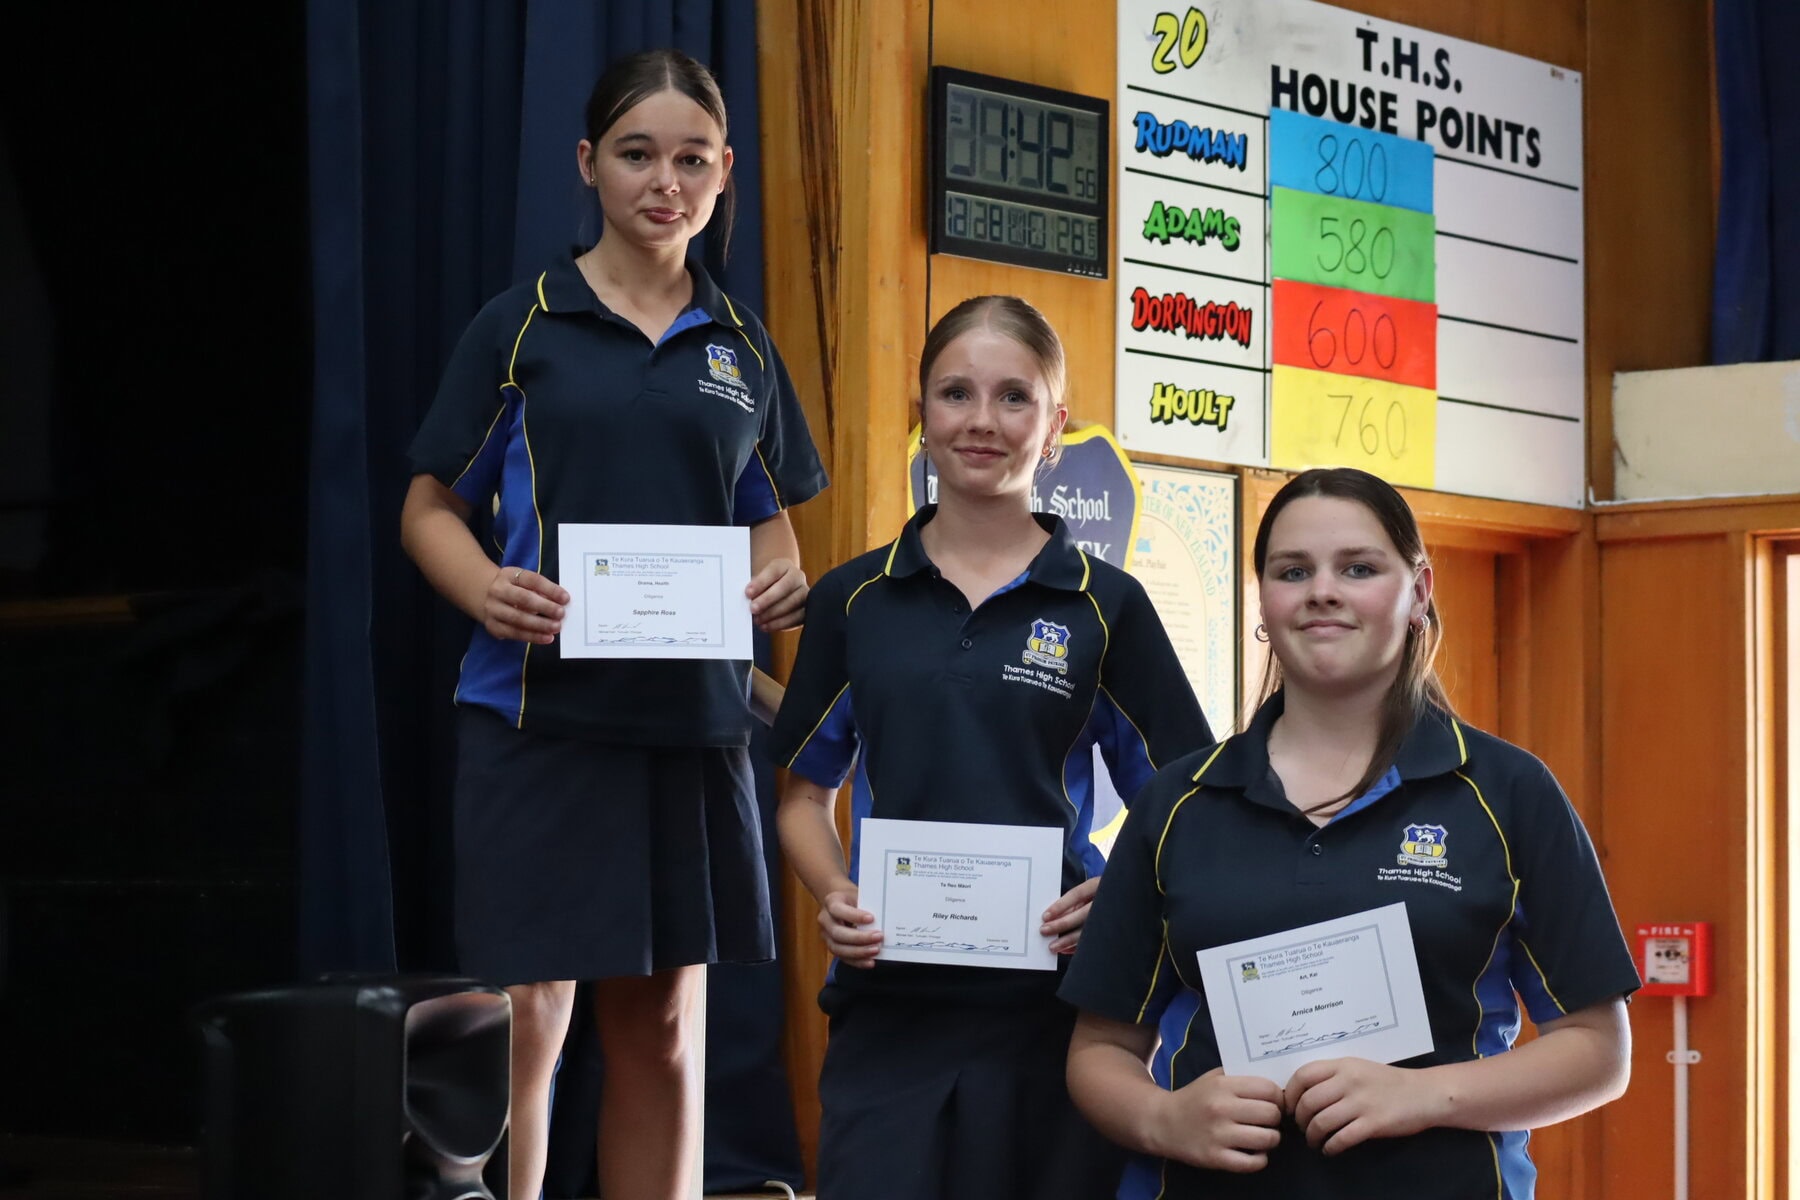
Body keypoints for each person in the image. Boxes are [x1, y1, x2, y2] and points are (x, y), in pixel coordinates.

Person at [399, 49, 825, 1200]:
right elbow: (428, 508)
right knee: (529, 1010)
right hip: (534, 717)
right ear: (589, 164)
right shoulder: (520, 327)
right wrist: (484, 587)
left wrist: (779, 583)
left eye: (692, 159)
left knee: (665, 1023)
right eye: (638, 155)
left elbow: (770, 526)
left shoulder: (742, 346)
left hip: (692, 728)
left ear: (726, 173)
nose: (665, 182)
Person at [1060, 467, 1638, 1200]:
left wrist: (1422, 1096)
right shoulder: (1179, 802)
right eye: (1293, 571)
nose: (1322, 591)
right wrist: (1162, 1118)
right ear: (1264, 601)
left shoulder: (1508, 793)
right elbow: (1100, 1049)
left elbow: (1598, 1050)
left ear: (1418, 593)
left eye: (1358, 568)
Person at [768, 295, 1214, 1200]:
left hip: (1054, 1008)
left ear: (1055, 429)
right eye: (956, 393)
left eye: (1015, 397)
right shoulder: (854, 600)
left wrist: (1119, 897)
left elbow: (1188, 805)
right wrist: (837, 893)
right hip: (888, 1002)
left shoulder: (1107, 607)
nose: (982, 420)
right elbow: (803, 800)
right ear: (922, 416)